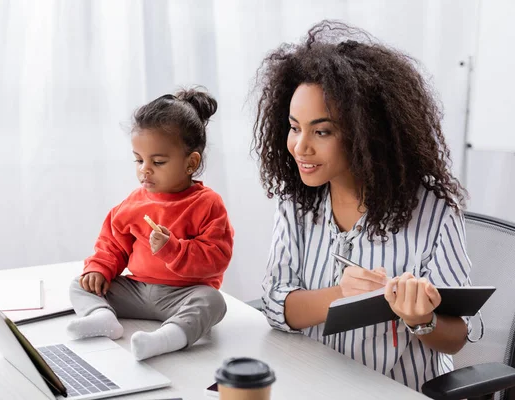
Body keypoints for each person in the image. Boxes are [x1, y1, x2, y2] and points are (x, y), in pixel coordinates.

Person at [253, 21, 471, 392]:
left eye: (322, 131)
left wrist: (421, 320)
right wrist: (340, 295)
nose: (300, 147)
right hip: (316, 385)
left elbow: (456, 337)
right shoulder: (298, 201)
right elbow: (276, 305)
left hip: (396, 390)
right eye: (294, 127)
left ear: (366, 134)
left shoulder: (434, 210)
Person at [67, 87, 234, 361]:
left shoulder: (208, 204)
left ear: (191, 163)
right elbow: (112, 244)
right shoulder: (133, 203)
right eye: (139, 159)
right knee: (80, 284)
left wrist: (173, 249)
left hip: (183, 295)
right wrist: (99, 269)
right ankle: (102, 318)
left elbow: (217, 258)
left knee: (213, 302)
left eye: (158, 161)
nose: (145, 169)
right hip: (137, 290)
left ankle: (167, 338)